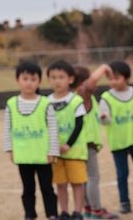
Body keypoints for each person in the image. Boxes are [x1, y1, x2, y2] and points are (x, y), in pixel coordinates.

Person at [3, 61, 59, 220]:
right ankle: (30, 214)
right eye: (25, 78)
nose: (29, 83)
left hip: (43, 155)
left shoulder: (45, 103)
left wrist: (53, 150)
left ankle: (52, 214)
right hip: (23, 155)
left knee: (47, 188)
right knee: (28, 188)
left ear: (39, 82)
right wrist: (10, 149)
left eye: (33, 79)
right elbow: (8, 128)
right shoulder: (11, 103)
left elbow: (53, 128)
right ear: (18, 80)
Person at [99, 61, 133, 214]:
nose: (113, 81)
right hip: (118, 142)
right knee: (122, 174)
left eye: (117, 78)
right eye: (111, 78)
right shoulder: (106, 97)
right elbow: (105, 121)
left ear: (127, 78)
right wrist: (104, 118)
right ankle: (124, 202)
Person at [71, 65, 118, 219]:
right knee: (92, 177)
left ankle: (88, 208)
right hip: (86, 143)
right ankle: (96, 209)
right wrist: (105, 68)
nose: (94, 85)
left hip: (78, 144)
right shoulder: (82, 93)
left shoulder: (71, 96)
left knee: (83, 178)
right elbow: (92, 81)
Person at [47, 60, 87, 220]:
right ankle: (64, 211)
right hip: (56, 153)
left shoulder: (76, 100)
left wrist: (68, 144)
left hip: (74, 151)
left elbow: (79, 125)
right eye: (53, 77)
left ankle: (77, 212)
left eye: (61, 77)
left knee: (77, 183)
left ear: (70, 79)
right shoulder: (46, 101)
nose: (57, 81)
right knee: (60, 184)